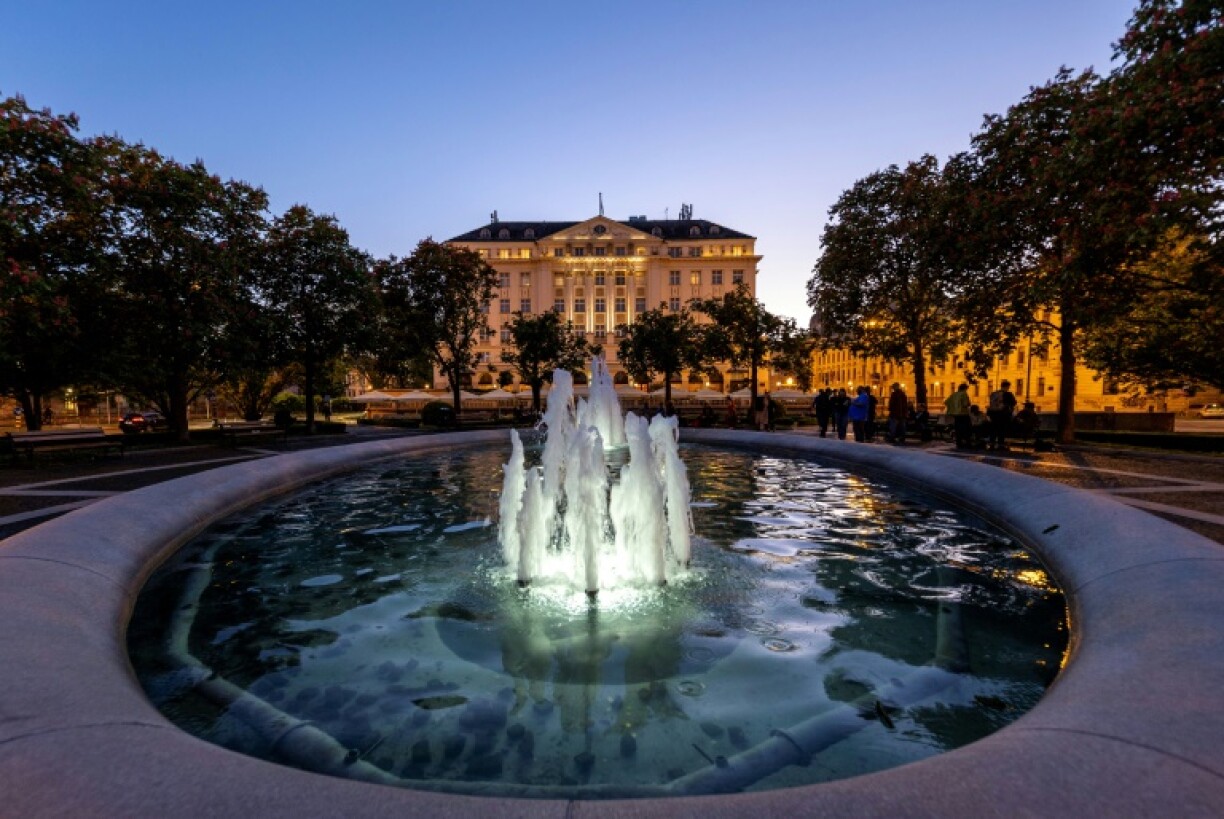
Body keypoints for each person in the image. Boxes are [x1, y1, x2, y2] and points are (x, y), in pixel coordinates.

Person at [986, 379, 1018, 451]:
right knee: (1001, 430)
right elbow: (1013, 403)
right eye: (1008, 387)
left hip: (993, 414)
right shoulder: (1008, 394)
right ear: (1007, 386)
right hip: (1003, 414)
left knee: (993, 429)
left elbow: (991, 403)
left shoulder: (994, 393)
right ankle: (1000, 445)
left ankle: (992, 444)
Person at [944, 383, 972, 449]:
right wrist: (968, 403)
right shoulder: (964, 394)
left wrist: (953, 407)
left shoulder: (954, 394)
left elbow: (946, 402)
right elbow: (966, 404)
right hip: (963, 414)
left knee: (958, 429)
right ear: (965, 388)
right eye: (966, 389)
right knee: (966, 429)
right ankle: (967, 443)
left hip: (955, 414)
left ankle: (959, 443)